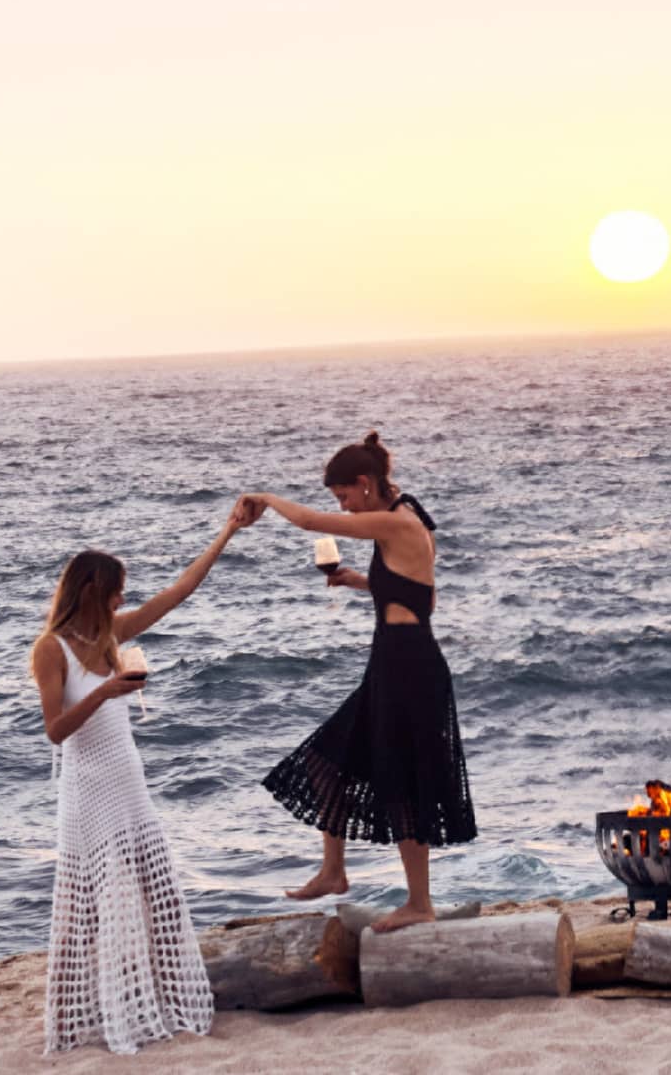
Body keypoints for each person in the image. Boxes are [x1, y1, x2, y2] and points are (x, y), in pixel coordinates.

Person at [30, 511, 250, 1056]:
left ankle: (158, 996)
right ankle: (77, 1015)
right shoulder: (50, 649)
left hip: (129, 781)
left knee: (156, 892)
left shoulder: (112, 635)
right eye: (114, 594)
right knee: (87, 903)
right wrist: (104, 693)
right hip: (87, 790)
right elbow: (56, 732)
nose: (119, 603)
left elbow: (179, 591)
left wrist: (226, 532)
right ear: (89, 591)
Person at [245, 432, 476, 931]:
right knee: (327, 761)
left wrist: (265, 498)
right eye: (339, 501)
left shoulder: (397, 522)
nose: (344, 509)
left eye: (344, 497)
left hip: (410, 667)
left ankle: (419, 903)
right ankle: (334, 871)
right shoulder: (401, 523)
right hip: (392, 661)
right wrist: (362, 582)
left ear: (366, 484)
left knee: (404, 781)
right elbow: (423, 599)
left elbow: (309, 522)